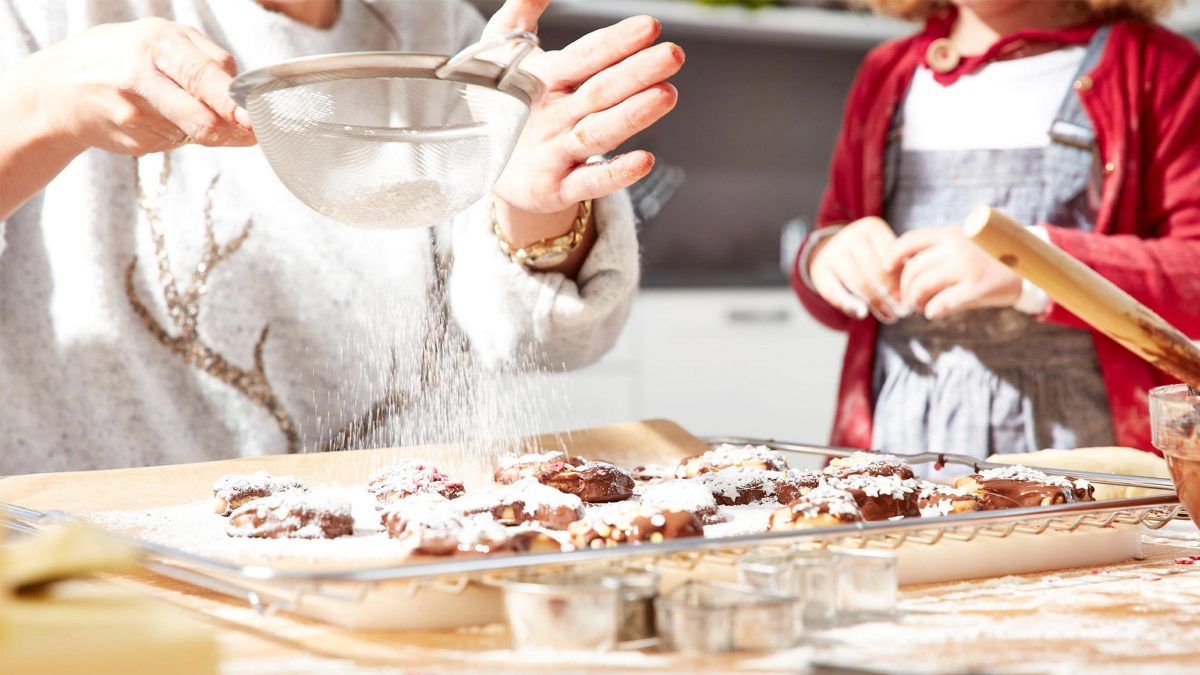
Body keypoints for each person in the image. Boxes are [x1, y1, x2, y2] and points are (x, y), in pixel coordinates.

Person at [0, 0, 683, 473]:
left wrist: (530, 202)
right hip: (98, 563)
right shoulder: (45, 16)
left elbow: (536, 339)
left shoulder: (443, 31)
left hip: (387, 554)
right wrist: (40, 106)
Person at [793, 0, 1199, 472]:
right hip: (899, 449)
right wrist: (826, 258)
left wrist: (1028, 265)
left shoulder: (1159, 66)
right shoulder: (887, 72)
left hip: (1088, 461)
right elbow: (832, 245)